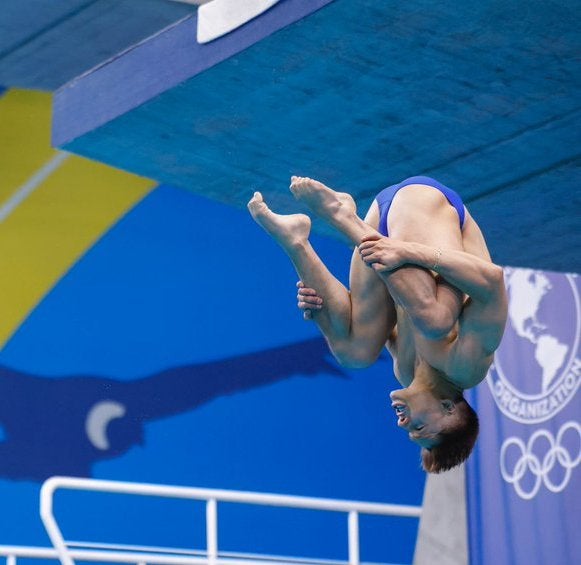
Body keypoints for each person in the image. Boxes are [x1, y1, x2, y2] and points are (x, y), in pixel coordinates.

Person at [247, 175, 507, 473]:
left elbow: (377, 310)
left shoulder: (405, 372)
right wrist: (409, 251)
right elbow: (492, 282)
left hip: (378, 227)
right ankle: (343, 218)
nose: (402, 423)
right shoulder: (467, 366)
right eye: (420, 428)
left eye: (408, 431)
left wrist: (322, 310)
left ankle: (295, 240)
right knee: (436, 320)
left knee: (354, 353)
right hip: (422, 205)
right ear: (448, 408)